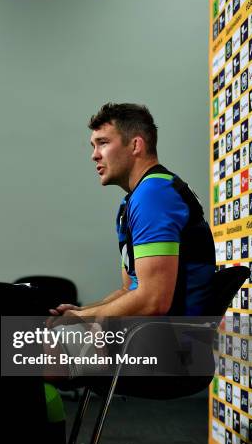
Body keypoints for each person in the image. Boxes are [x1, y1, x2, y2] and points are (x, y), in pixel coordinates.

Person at [51, 102, 216, 322]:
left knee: (55, 335)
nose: (94, 155)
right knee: (58, 327)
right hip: (149, 333)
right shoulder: (134, 200)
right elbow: (130, 290)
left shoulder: (154, 195)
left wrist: (83, 318)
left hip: (169, 339)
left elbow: (153, 300)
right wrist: (81, 311)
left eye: (103, 143)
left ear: (136, 145)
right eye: (93, 145)